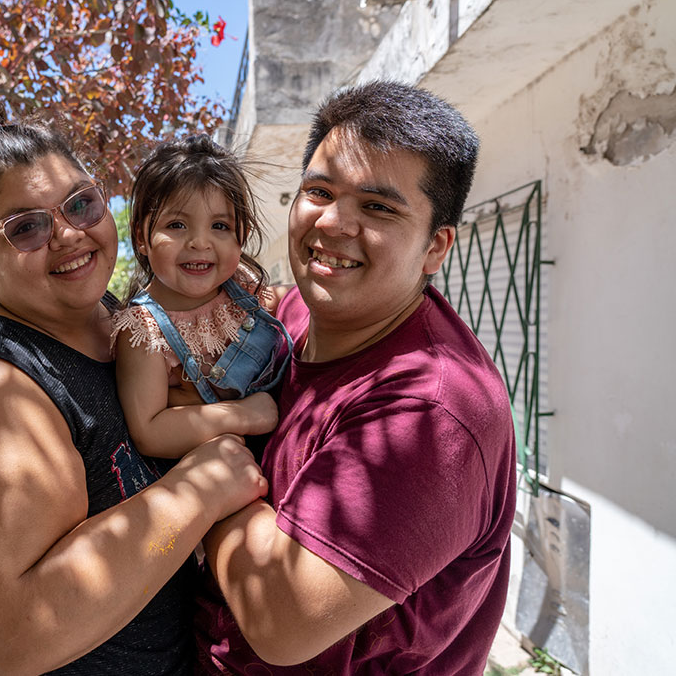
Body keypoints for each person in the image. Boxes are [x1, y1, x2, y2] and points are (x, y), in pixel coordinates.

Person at [0, 92, 271, 675]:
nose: (69, 235)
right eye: (26, 228)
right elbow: (8, 634)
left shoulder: (105, 316)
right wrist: (203, 486)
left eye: (81, 204)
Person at [195, 81, 518, 674]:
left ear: (435, 247)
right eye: (319, 191)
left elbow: (281, 620)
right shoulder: (294, 314)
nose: (334, 223)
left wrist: (207, 467)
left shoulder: (431, 410)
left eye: (378, 207)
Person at [112, 135, 291, 459]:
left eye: (220, 226)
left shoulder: (241, 287)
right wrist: (245, 415)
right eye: (177, 224)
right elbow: (149, 431)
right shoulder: (144, 331)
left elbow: (283, 304)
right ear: (141, 237)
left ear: (242, 236)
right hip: (221, 472)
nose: (199, 242)